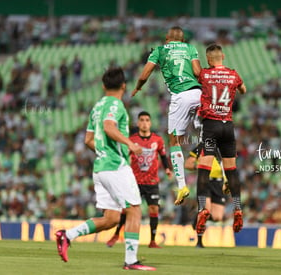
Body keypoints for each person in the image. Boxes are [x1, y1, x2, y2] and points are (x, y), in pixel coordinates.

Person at [55, 67, 155, 271]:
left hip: (100, 168)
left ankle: (68, 235)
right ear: (124, 86)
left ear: (103, 86)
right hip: (115, 166)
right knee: (134, 209)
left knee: (111, 218)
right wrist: (130, 144)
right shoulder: (115, 105)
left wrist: (102, 151)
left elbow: (88, 140)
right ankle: (131, 260)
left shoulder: (97, 107)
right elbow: (109, 128)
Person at [132, 26, 202, 205]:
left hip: (180, 96)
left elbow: (145, 73)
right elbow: (197, 72)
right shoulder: (190, 48)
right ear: (183, 39)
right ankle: (219, 171)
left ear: (166, 38)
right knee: (208, 134)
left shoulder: (159, 50)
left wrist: (138, 86)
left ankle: (182, 186)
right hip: (199, 94)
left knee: (174, 141)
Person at [195, 44, 246, 237]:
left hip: (211, 127)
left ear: (209, 59)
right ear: (223, 56)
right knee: (231, 170)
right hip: (228, 127)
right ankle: (238, 208)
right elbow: (244, 90)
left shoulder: (205, 74)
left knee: (203, 169)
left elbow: (195, 72)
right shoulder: (233, 74)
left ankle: (202, 209)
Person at [106, 111, 173, 248]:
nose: (144, 123)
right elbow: (124, 156)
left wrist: (167, 169)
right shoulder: (132, 140)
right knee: (128, 210)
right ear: (138, 123)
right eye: (141, 120)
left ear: (150, 123)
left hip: (152, 182)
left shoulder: (158, 140)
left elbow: (163, 155)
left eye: (147, 120)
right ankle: (116, 234)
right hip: (135, 182)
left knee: (154, 209)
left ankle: (152, 240)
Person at [185, 144, 227, 248]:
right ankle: (199, 241)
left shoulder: (224, 148)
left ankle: (196, 219)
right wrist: (199, 166)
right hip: (205, 181)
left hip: (218, 183)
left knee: (217, 217)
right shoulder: (201, 147)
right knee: (205, 210)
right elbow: (187, 164)